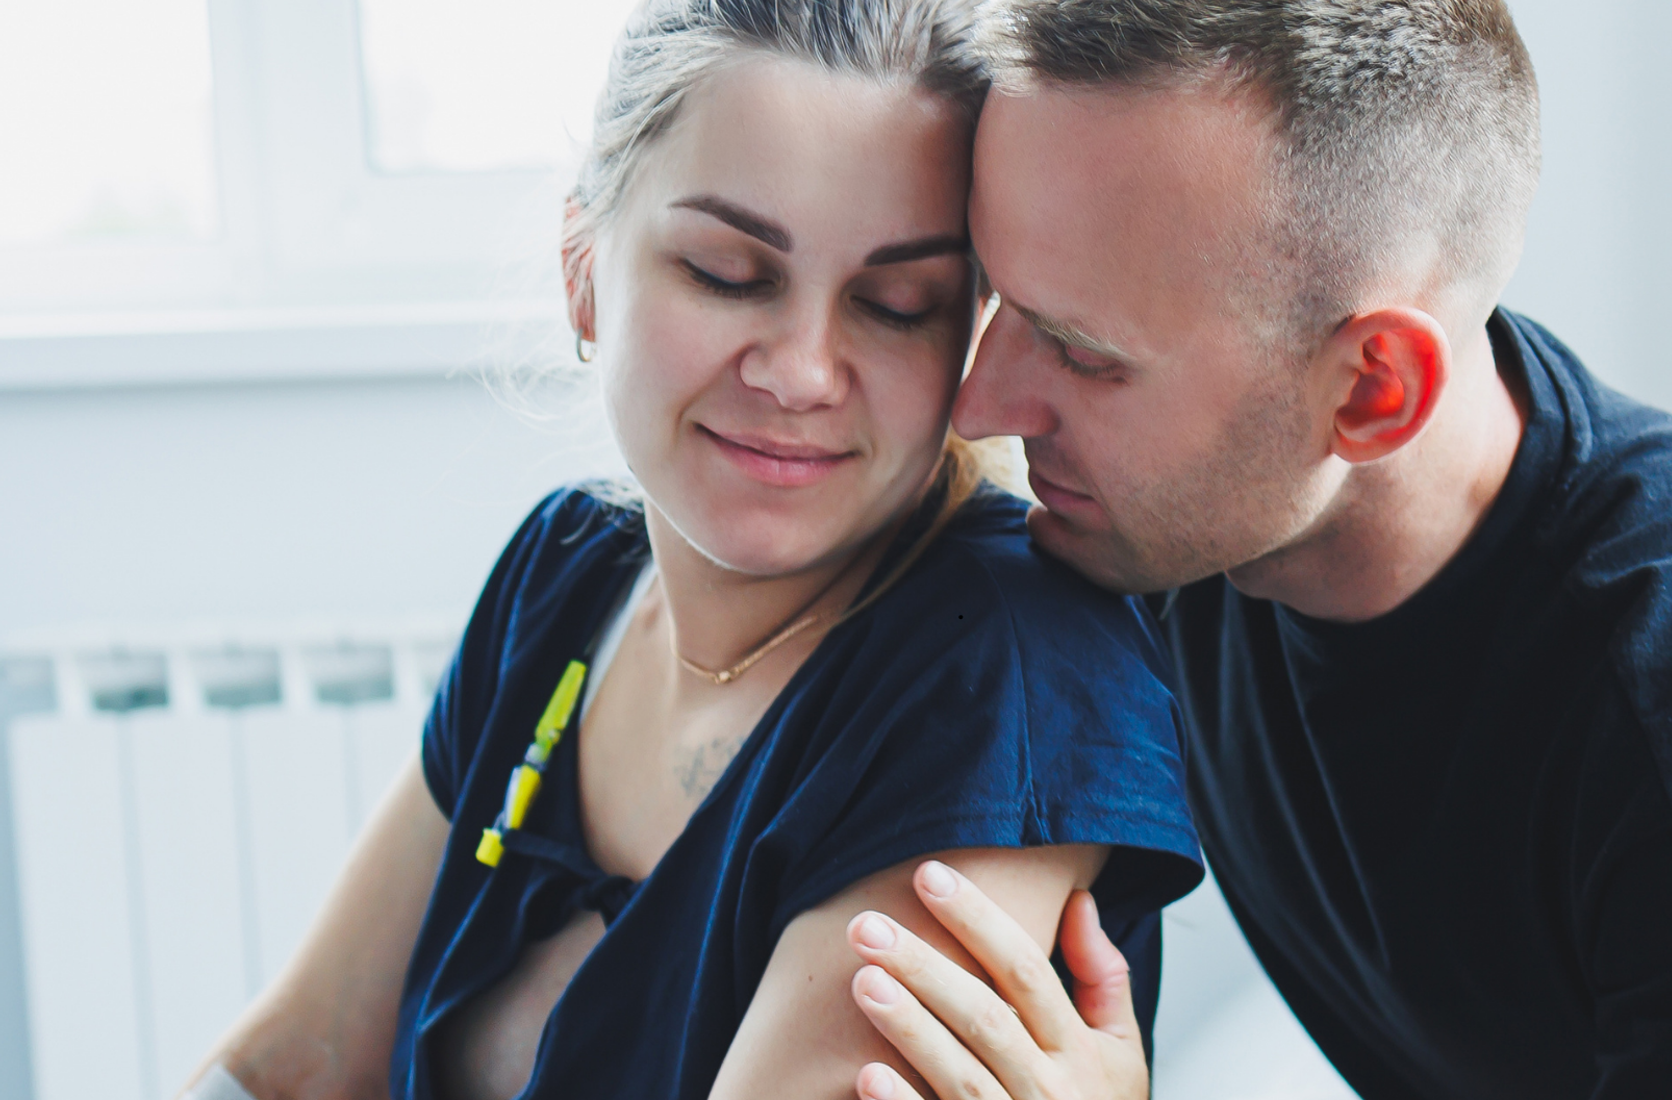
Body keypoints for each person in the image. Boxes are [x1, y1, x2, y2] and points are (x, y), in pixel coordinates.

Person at [845, 1, 1672, 1098]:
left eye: (1080, 351)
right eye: (997, 298)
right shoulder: (1174, 517)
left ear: (1373, 389)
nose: (980, 402)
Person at [179, 2, 1205, 1098]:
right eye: (728, 271)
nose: (804, 372)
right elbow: (297, 1058)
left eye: (899, 303)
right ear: (582, 269)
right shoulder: (565, 569)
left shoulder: (1007, 674)